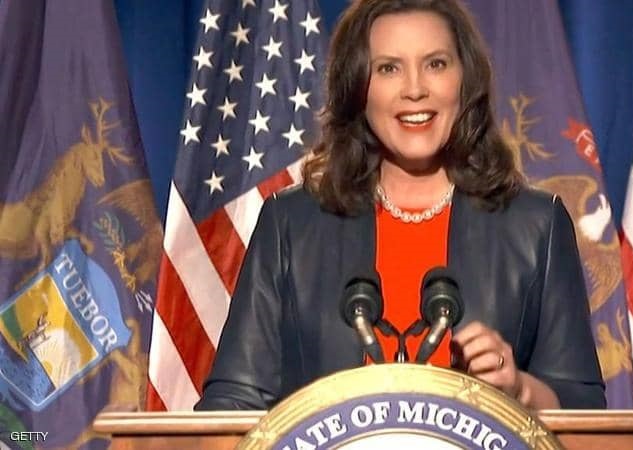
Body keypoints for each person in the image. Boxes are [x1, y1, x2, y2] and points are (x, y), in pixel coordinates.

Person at [195, 0, 605, 411]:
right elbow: (231, 406)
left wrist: (519, 391)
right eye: (388, 68)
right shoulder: (291, 224)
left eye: (436, 64)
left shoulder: (536, 225)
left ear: (465, 79)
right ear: (358, 87)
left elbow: (585, 411)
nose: (414, 89)